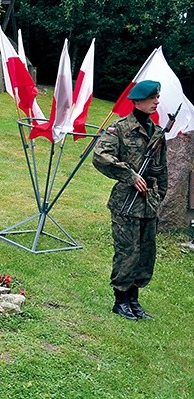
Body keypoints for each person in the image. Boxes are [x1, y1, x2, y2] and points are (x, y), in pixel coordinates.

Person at [92, 80, 167, 321]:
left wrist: (159, 196)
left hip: (149, 203)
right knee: (127, 252)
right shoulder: (120, 129)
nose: (157, 101)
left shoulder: (157, 133)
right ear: (138, 101)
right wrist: (129, 174)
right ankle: (120, 301)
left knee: (146, 253)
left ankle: (134, 301)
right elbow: (100, 156)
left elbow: (161, 168)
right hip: (126, 203)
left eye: (157, 97)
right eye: (152, 97)